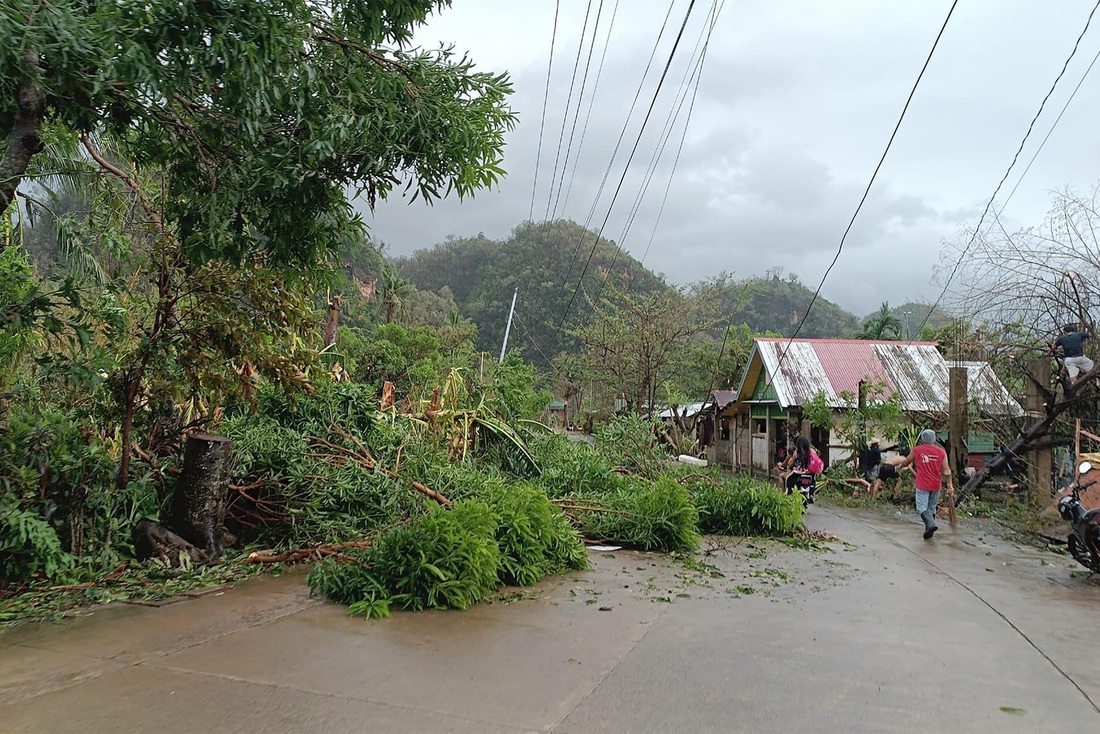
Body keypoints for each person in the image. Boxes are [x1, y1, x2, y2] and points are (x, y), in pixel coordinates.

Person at [894, 429, 954, 539]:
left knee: (921, 507)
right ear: (934, 439)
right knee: (931, 507)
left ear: (922, 439)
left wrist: (900, 466)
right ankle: (928, 531)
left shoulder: (917, 450)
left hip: (922, 484)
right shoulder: (941, 452)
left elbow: (907, 461)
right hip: (936, 484)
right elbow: (947, 471)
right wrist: (950, 485)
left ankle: (931, 525)